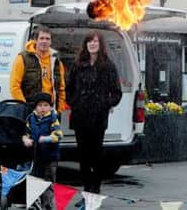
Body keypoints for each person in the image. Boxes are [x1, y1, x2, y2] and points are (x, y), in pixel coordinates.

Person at [66, 31, 122, 195]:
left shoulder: (108, 66)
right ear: (85, 45)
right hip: (80, 116)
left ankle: (95, 189)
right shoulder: (77, 65)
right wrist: (75, 102)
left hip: (98, 117)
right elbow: (68, 88)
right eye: (89, 41)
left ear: (100, 44)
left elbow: (117, 92)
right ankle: (86, 189)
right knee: (83, 156)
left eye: (95, 41)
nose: (92, 44)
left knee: (96, 154)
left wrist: (105, 104)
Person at [10, 26, 66, 114]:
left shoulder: (56, 62)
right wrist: (25, 107)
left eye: (47, 39)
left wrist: (59, 110)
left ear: (51, 42)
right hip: (30, 112)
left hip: (51, 113)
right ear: (36, 40)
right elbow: (14, 87)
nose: (44, 41)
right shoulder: (22, 58)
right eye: (42, 38)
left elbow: (61, 88)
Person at [22, 92, 63, 210]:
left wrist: (47, 138)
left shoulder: (53, 118)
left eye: (45, 105)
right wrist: (26, 139)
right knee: (34, 180)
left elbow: (59, 135)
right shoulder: (31, 118)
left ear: (50, 107)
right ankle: (34, 205)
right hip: (36, 157)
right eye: (40, 105)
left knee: (47, 183)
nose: (43, 108)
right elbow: (26, 133)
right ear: (35, 107)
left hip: (50, 158)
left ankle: (48, 206)